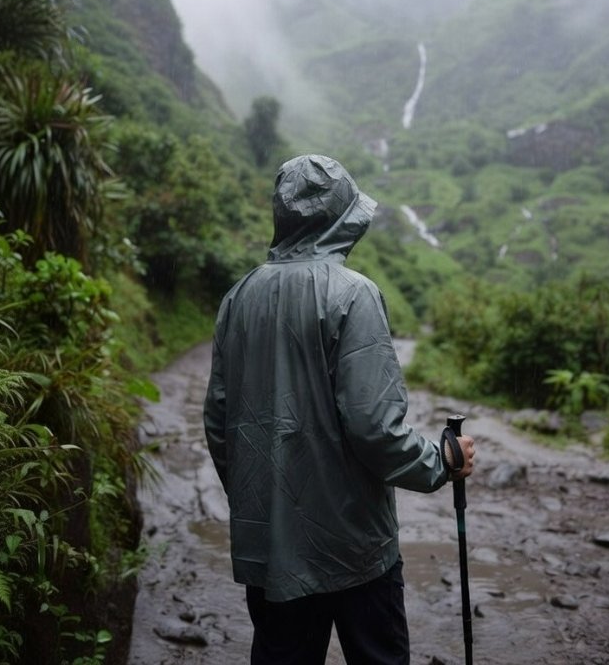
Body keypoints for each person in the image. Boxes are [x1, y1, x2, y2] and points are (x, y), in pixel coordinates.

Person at [203, 153, 475, 665]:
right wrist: (444, 460)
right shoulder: (354, 295)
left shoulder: (237, 299)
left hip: (272, 550)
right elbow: (375, 427)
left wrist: (265, 502)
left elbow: (220, 424)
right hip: (355, 552)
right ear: (344, 218)